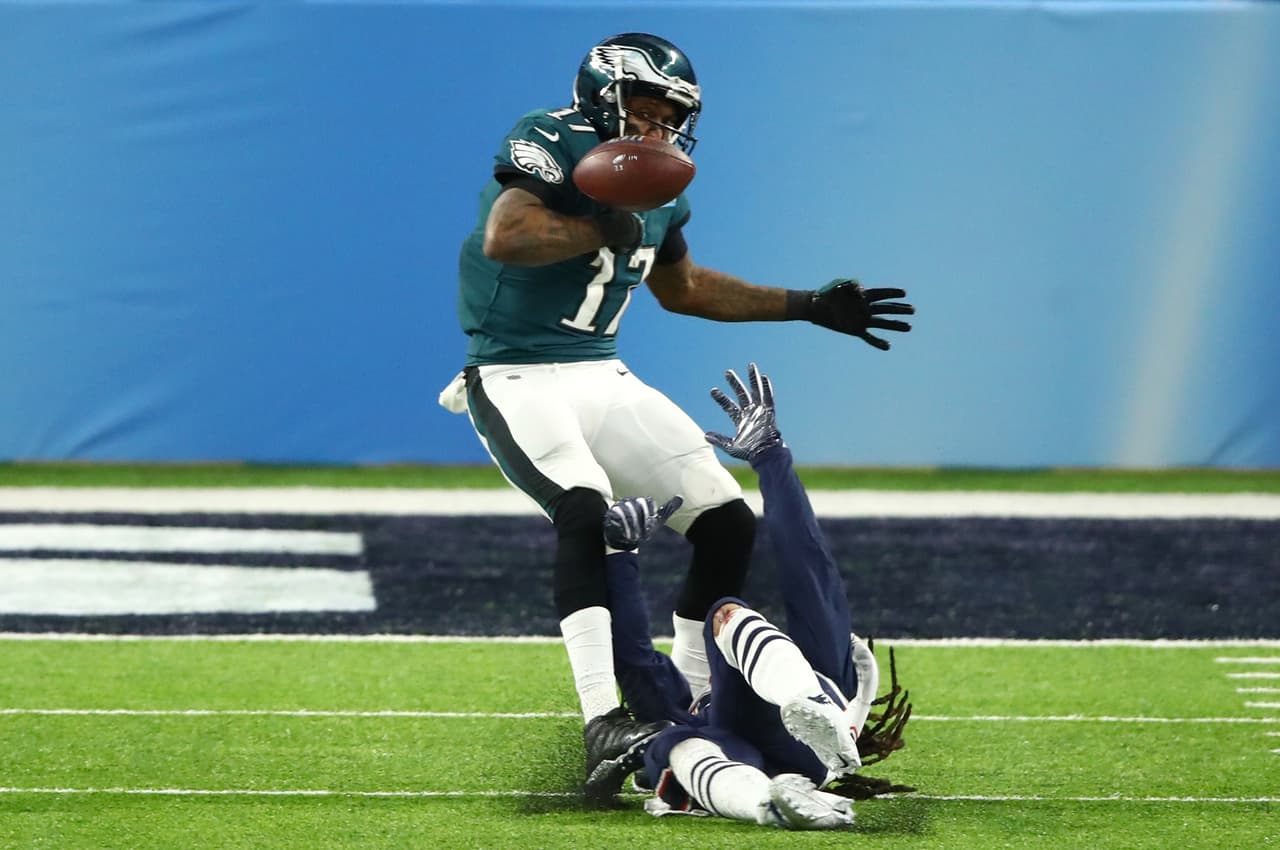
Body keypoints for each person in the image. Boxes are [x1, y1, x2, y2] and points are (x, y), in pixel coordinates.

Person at [438, 31, 915, 787]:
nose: (658, 128)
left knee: (728, 522)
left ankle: (692, 695)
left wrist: (806, 305)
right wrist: (599, 224)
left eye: (671, 115)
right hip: (514, 371)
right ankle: (603, 717)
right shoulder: (551, 137)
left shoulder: (661, 183)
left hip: (601, 372)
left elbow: (683, 287)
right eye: (646, 108)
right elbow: (508, 234)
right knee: (586, 511)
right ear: (604, 95)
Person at [593, 364, 912, 827]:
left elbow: (634, 658)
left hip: (799, 724)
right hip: (783, 759)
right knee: (681, 737)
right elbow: (809, 571)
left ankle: (803, 715)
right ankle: (776, 804)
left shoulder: (700, 692)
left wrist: (619, 557)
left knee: (675, 730)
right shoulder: (822, 667)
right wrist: (769, 458)